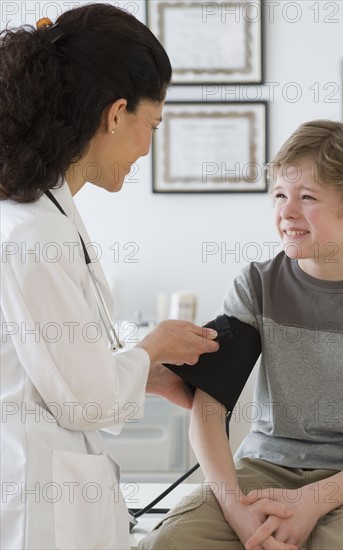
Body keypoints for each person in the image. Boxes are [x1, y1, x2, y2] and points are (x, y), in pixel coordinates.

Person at [139, 120, 343, 549]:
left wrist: (312, 502)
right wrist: (236, 510)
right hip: (266, 465)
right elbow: (207, 412)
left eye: (307, 198)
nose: (286, 213)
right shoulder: (257, 286)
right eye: (281, 195)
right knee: (168, 543)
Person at [0, 5, 219, 549]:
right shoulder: (32, 234)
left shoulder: (47, 212)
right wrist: (151, 348)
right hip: (37, 501)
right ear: (116, 113)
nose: (146, 148)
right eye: (152, 125)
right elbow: (83, 399)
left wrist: (151, 374)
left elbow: (58, 373)